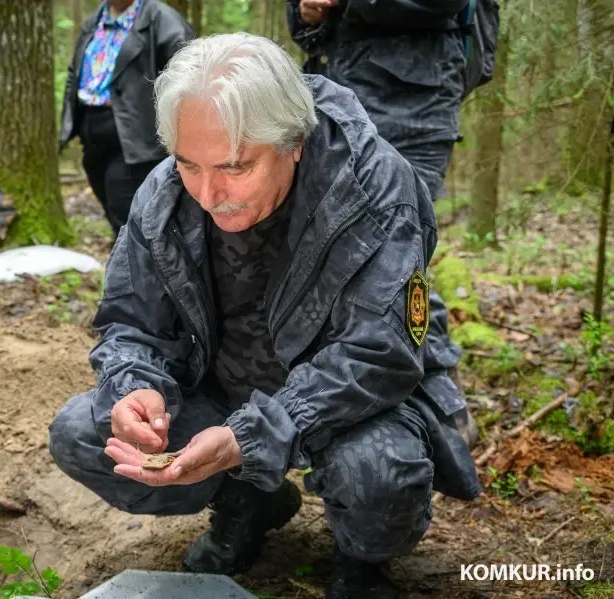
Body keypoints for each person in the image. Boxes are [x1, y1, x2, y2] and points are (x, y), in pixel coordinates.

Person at [48, 33, 481, 599]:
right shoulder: (165, 193)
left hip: (351, 402)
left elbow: (379, 356)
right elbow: (131, 320)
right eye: (188, 164)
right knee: (85, 432)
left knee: (378, 471)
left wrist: (252, 436)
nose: (209, 192)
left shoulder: (374, 191)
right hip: (226, 386)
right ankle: (247, 501)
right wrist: (137, 385)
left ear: (294, 142)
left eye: (235, 166)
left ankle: (360, 559)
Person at [286, 0, 479, 444]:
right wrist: (306, 13)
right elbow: (303, 25)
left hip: (417, 101)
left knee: (401, 251)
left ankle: (445, 408)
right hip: (337, 94)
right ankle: (365, 404)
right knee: (346, 251)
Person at [59, 0, 194, 238]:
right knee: (115, 213)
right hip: (91, 133)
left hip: (136, 141)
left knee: (130, 214)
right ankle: (127, 265)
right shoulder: (94, 21)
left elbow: (188, 75)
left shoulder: (162, 20)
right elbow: (75, 71)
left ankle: (138, 270)